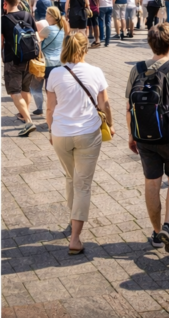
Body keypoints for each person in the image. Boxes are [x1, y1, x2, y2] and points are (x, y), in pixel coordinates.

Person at [125, 23, 169, 256]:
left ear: (150, 44)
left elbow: (129, 107)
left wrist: (131, 134)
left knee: (151, 183)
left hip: (145, 136)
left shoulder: (136, 70)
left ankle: (157, 233)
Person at [45, 32, 115, 255]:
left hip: (61, 134)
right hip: (88, 132)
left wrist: (50, 129)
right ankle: (75, 238)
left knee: (70, 176)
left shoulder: (55, 73)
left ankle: (72, 218)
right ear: (85, 49)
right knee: (83, 183)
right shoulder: (96, 72)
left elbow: (50, 109)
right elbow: (105, 104)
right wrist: (111, 125)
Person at [1, 0, 37, 136]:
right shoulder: (28, 15)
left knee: (14, 92)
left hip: (12, 59)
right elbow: (36, 36)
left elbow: (0, 42)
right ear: (18, 2)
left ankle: (28, 121)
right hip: (29, 58)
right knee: (25, 89)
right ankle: (24, 114)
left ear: (5, 4)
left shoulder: (4, 19)